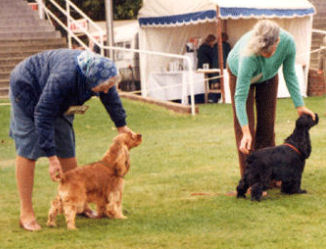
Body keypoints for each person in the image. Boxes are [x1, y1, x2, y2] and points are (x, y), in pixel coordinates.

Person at [9, 49, 134, 231]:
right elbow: (42, 113)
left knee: (66, 145)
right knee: (28, 146)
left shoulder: (102, 72)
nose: (106, 91)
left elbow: (110, 95)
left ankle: (79, 204)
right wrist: (52, 159)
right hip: (28, 87)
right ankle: (26, 213)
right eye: (103, 88)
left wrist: (121, 125)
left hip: (58, 98)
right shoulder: (64, 77)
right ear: (90, 81)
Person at [226, 20, 315, 178]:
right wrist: (246, 132)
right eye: (263, 51)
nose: (266, 54)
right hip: (239, 74)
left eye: (270, 50)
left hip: (268, 76)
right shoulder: (248, 55)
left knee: (267, 124)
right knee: (246, 130)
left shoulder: (287, 43)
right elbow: (239, 97)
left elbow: (290, 74)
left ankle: (269, 176)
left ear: (277, 41)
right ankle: (250, 180)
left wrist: (299, 105)